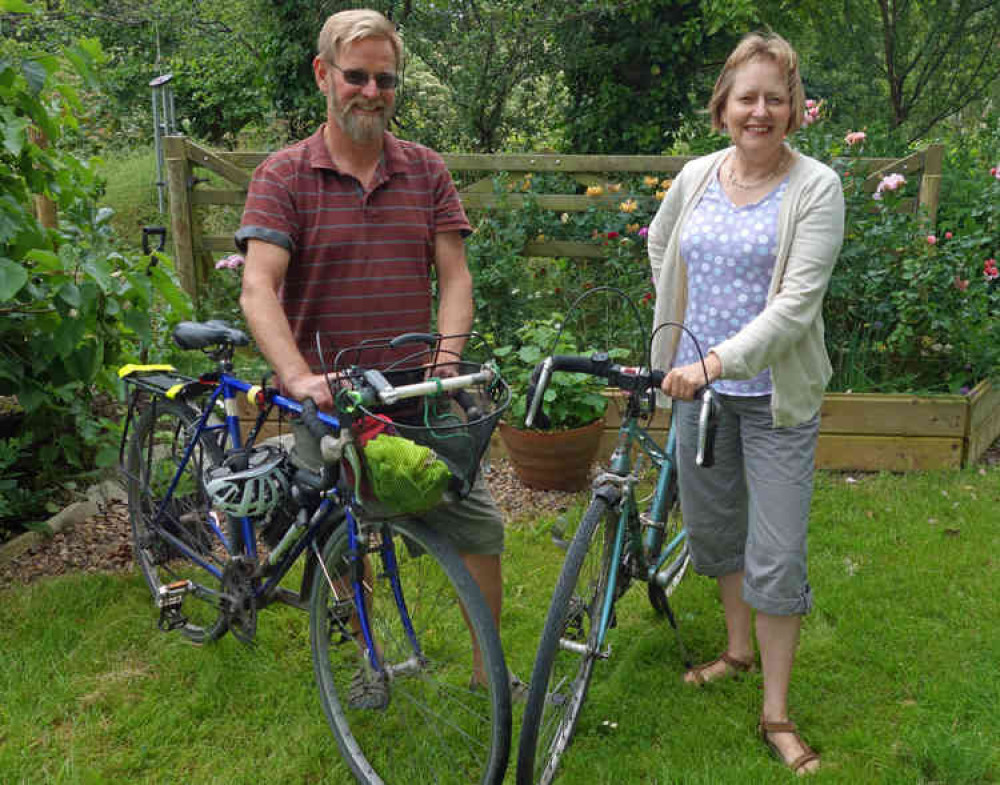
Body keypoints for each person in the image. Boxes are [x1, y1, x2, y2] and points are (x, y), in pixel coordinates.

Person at [236, 8, 518, 696]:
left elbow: (455, 278)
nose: (370, 91)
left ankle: (489, 670)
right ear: (323, 76)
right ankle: (364, 650)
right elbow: (257, 288)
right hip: (329, 390)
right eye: (355, 76)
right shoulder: (284, 175)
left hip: (413, 389)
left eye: (384, 79)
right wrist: (298, 377)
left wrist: (446, 359)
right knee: (340, 527)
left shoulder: (425, 171)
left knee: (477, 522)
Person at [648, 31, 844, 775]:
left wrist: (715, 359)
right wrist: (680, 333)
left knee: (778, 552)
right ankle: (735, 649)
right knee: (718, 531)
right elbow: (662, 246)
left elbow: (796, 307)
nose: (759, 110)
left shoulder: (815, 187)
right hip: (700, 391)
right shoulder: (697, 175)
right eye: (746, 97)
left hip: (772, 399)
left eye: (775, 97)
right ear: (722, 106)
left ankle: (776, 711)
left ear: (794, 109)